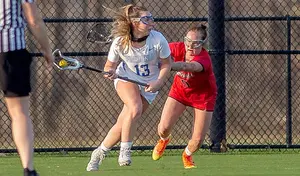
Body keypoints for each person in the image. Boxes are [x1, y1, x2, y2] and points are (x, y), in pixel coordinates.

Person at [86, 4, 171, 171]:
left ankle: (99, 152)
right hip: (126, 78)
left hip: (150, 84)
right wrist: (109, 72)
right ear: (134, 22)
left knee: (124, 122)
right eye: (146, 19)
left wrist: (159, 82)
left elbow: (167, 64)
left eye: (151, 17)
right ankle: (125, 151)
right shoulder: (119, 42)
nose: (151, 22)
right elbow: (109, 66)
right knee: (135, 107)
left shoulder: (158, 39)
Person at [151, 24, 217, 169]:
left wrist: (168, 65)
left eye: (195, 43)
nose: (190, 45)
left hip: (203, 96)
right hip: (179, 92)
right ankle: (164, 140)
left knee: (198, 140)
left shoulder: (204, 58)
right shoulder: (177, 47)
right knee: (163, 128)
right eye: (187, 41)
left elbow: (188, 67)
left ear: (202, 44)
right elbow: (156, 50)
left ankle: (186, 154)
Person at [0, 0, 54, 176]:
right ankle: (28, 169)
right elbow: (34, 20)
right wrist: (47, 50)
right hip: (11, 52)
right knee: (19, 113)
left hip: (10, 53)